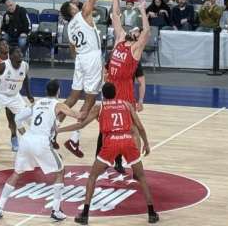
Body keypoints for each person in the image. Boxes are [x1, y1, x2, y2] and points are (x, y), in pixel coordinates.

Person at [57, 82, 158, 225]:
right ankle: (152, 213)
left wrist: (59, 130)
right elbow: (139, 127)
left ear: (103, 95)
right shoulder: (126, 105)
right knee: (141, 177)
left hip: (111, 143)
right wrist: (146, 144)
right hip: (128, 140)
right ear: (115, 93)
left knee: (92, 176)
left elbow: (81, 125)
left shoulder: (100, 107)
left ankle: (85, 214)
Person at [0, 79, 83, 221]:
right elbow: (78, 115)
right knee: (60, 171)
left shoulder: (37, 103)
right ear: (59, 91)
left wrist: (22, 131)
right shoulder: (58, 105)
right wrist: (90, 107)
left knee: (17, 173)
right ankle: (56, 210)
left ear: (46, 91)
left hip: (27, 140)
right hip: (41, 142)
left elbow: (18, 117)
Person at [57, 0, 106, 157]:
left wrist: (80, 61)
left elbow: (72, 49)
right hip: (92, 57)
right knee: (90, 100)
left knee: (72, 98)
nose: (77, 3)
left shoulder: (68, 27)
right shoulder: (84, 14)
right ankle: (74, 140)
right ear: (72, 10)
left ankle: (50, 133)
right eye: (74, 4)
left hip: (80, 60)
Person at [102, 0, 150, 172]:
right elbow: (115, 14)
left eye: (136, 30)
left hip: (125, 91)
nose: (134, 30)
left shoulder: (136, 49)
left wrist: (142, 10)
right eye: (134, 29)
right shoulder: (121, 38)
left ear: (138, 38)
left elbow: (147, 30)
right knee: (108, 128)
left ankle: (135, 163)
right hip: (110, 88)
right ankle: (113, 159)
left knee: (132, 129)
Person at [0, 48, 34, 162]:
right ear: (11, 56)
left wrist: (29, 95)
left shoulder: (25, 65)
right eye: (17, 52)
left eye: (21, 52)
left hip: (15, 97)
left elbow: (25, 80)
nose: (20, 54)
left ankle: (36, 147)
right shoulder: (3, 66)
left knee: (31, 120)